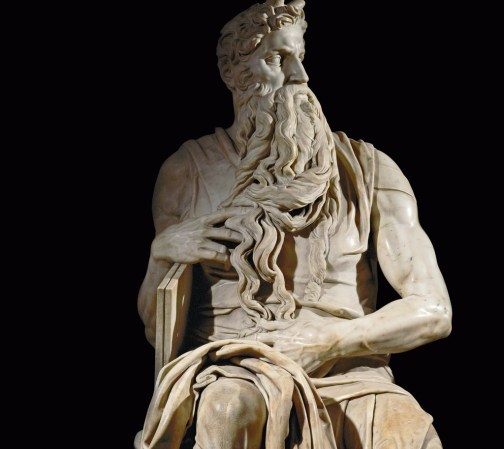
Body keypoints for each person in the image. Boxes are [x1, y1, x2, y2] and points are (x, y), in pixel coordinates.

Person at [136, 1, 452, 448]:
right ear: (233, 74)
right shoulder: (188, 172)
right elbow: (159, 333)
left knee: (405, 429)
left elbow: (434, 310)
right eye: (277, 59)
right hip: (238, 366)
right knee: (228, 407)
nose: (300, 76)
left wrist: (328, 342)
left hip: (351, 371)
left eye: (300, 57)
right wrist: (161, 255)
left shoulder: (370, 169)